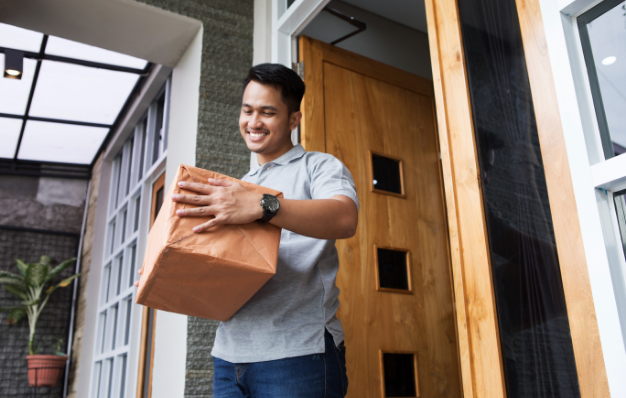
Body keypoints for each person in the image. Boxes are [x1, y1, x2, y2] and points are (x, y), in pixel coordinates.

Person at [168, 63, 358, 397]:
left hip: (298, 354)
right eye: (248, 110)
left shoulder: (319, 166)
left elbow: (345, 218)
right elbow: (220, 263)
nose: (254, 122)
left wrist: (261, 205)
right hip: (228, 358)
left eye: (268, 112)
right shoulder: (235, 187)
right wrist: (168, 270)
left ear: (293, 120)